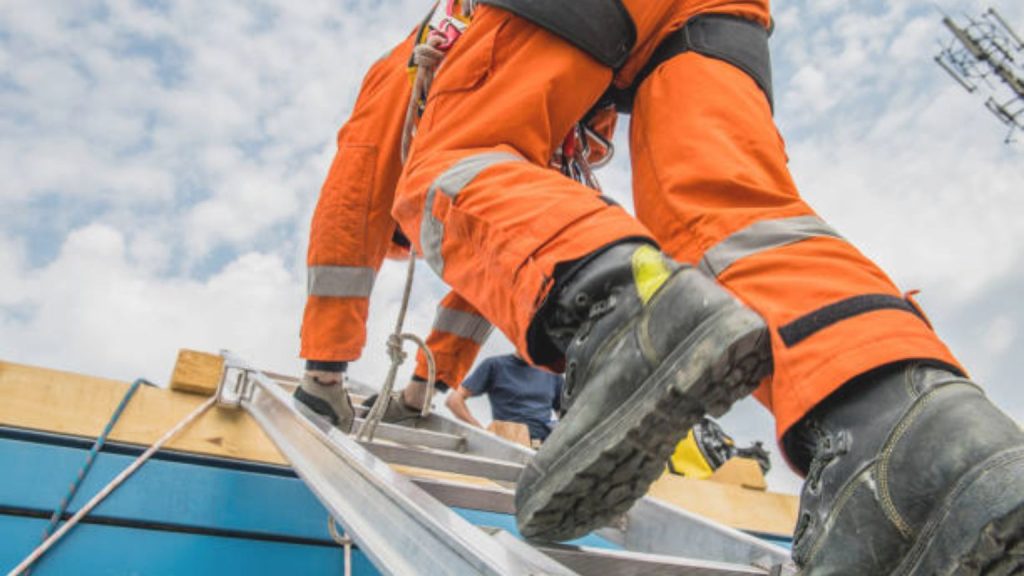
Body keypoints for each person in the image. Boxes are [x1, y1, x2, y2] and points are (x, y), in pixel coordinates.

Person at [390, 1, 1024, 572]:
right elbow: (508, 248)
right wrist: (435, 371)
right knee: (729, 214)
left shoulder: (398, 79)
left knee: (442, 172)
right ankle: (910, 431)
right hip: (717, 10)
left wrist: (328, 375)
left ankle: (622, 315)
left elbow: (349, 215)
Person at [296, 26, 493, 432]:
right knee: (503, 242)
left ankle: (327, 375)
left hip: (484, 61)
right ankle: (332, 375)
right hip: (467, 61)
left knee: (504, 241)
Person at [446, 353, 563, 445]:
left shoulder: (552, 372)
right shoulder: (495, 365)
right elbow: (454, 400)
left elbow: (565, 416)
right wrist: (482, 433)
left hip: (542, 449)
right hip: (510, 445)